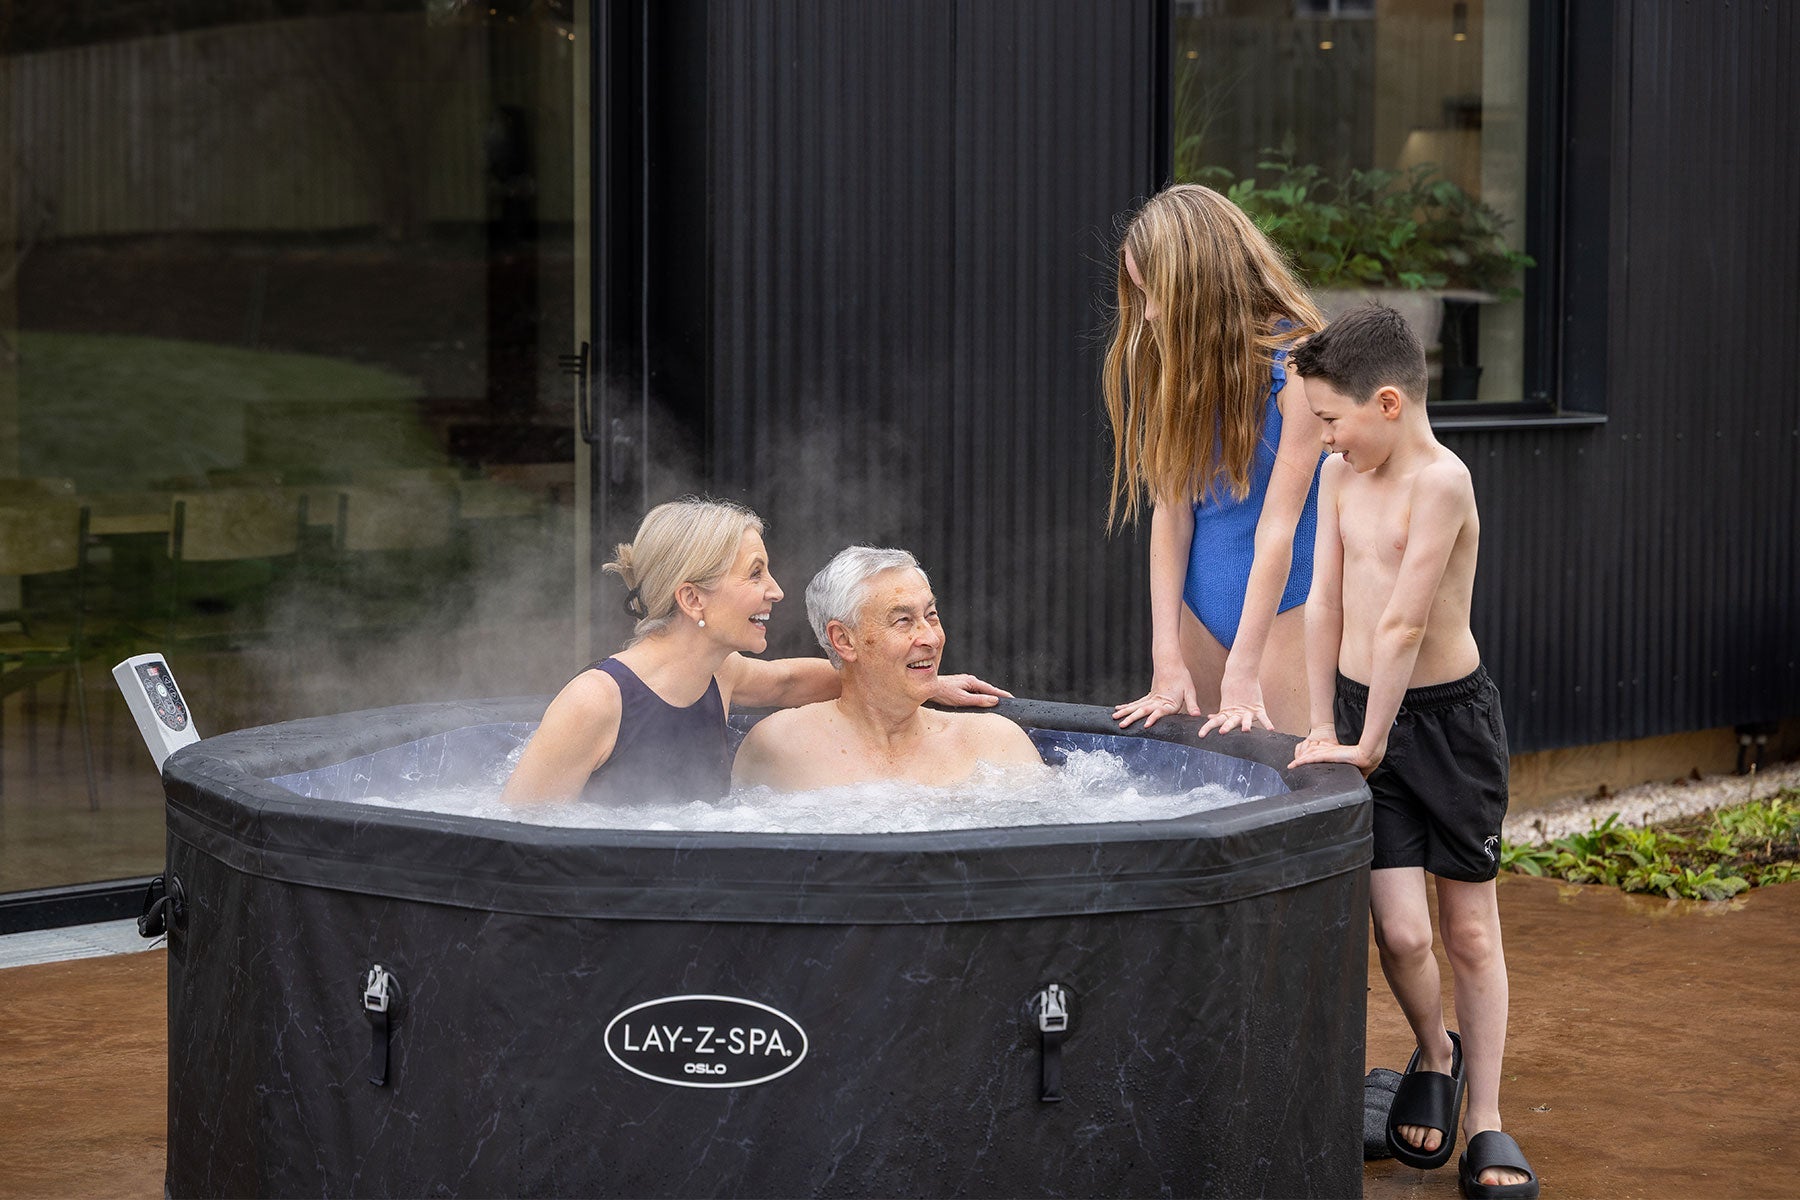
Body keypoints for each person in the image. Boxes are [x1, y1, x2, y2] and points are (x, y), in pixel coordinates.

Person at [1287, 305, 1537, 1199]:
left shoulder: (1442, 482)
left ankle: (1487, 1119)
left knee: (1467, 930)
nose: (1324, 437)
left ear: (1387, 403)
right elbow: (1324, 603)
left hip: (1445, 728)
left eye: (1332, 421)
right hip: (1363, 719)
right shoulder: (1339, 476)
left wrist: (1371, 742)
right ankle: (1436, 1051)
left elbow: (1403, 620)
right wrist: (1328, 724)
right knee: (1397, 930)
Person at [502, 499, 1009, 806]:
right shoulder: (596, 701)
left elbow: (792, 681)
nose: (776, 590)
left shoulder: (720, 675)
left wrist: (922, 681)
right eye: (755, 573)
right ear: (692, 598)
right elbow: (516, 837)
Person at [1102, 183, 1328, 738]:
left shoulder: (1298, 365)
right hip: (1200, 606)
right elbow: (1170, 513)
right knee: (1203, 786)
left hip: (1285, 609)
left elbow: (1281, 526)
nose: (1149, 313)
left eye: (1154, 292)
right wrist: (1165, 657)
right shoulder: (1176, 363)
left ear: (1197, 284)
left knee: (1283, 789)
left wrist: (1245, 668)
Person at [730, 546, 1042, 791]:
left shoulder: (996, 745)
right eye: (903, 620)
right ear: (844, 640)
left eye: (931, 615)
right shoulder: (779, 749)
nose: (931, 638)